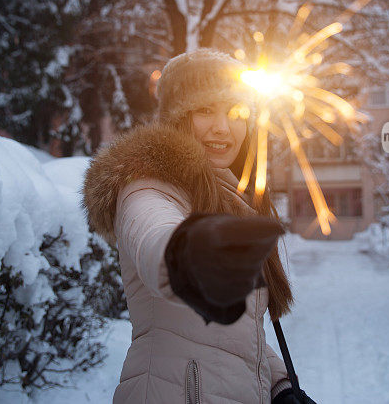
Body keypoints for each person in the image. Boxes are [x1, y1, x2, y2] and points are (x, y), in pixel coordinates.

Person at [83, 49, 314, 403]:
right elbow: (157, 241)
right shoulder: (147, 187)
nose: (223, 127)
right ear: (178, 117)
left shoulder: (232, 200)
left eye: (236, 112)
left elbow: (232, 335)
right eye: (206, 110)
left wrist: (280, 385)